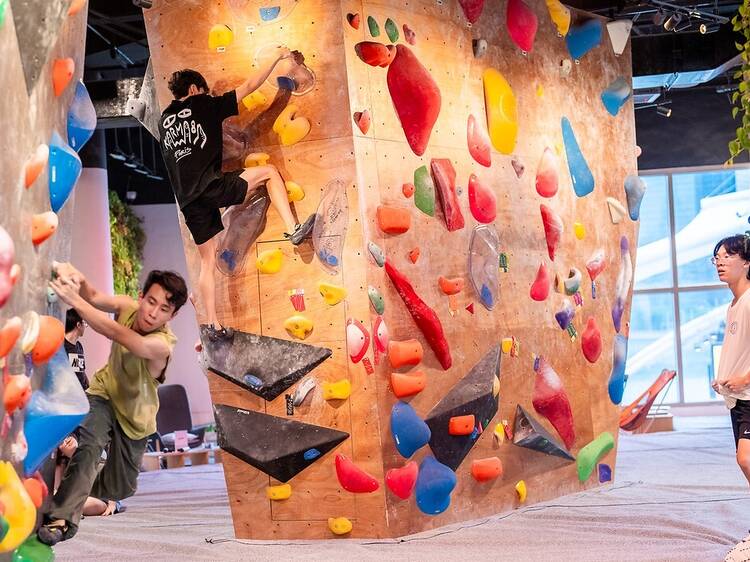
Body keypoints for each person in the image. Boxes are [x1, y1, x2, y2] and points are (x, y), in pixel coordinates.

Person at [158, 47, 313, 336]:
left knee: (207, 260)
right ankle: (294, 229)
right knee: (269, 173)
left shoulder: (163, 121)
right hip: (212, 186)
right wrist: (276, 55)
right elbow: (250, 86)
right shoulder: (204, 104)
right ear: (194, 89)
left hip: (188, 200)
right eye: (202, 90)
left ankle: (213, 324)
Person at [38, 263, 187, 545]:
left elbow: (119, 335)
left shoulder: (161, 346)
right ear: (141, 296)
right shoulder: (127, 306)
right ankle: (60, 520)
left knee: (119, 487)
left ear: (172, 315)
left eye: (163, 309)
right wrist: (79, 278)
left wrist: (75, 300)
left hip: (135, 420)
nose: (152, 313)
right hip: (104, 394)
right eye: (150, 302)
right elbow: (93, 295)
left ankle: (72, 492)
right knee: (89, 446)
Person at [711, 234, 750, 485]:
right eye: (716, 257)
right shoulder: (734, 304)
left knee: (745, 459)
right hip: (738, 397)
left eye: (728, 256)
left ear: (747, 262)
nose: (720, 262)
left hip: (748, 394)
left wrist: (745, 378)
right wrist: (724, 380)